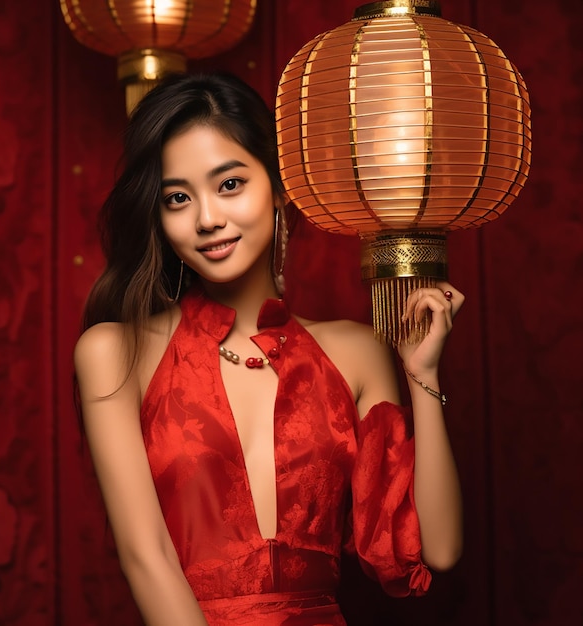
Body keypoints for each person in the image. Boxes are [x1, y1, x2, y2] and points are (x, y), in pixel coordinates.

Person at [73, 71, 464, 626]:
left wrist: (423, 375)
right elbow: (147, 558)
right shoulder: (115, 353)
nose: (208, 218)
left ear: (279, 189)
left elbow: (436, 550)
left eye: (229, 184)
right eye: (178, 198)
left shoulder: (354, 351)